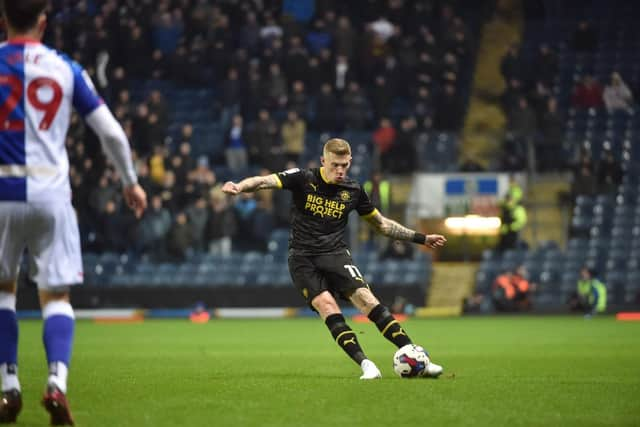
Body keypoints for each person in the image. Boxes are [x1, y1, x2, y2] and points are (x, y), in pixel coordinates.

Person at [0, 1, 147, 424]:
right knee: (57, 297)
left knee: (3, 292)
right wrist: (129, 181)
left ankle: (9, 386)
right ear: (43, 23)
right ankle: (56, 383)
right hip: (50, 192)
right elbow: (112, 133)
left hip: (2, 193)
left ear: (4, 19)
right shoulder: (65, 68)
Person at [222, 138, 447, 380]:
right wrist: (239, 186)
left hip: (335, 254)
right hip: (302, 258)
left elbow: (381, 224)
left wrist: (421, 238)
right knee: (327, 306)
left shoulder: (353, 191)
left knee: (367, 299)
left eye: (344, 165)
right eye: (334, 165)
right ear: (323, 161)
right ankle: (366, 365)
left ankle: (417, 357)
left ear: (350, 162)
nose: (340, 170)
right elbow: (264, 181)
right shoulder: (303, 178)